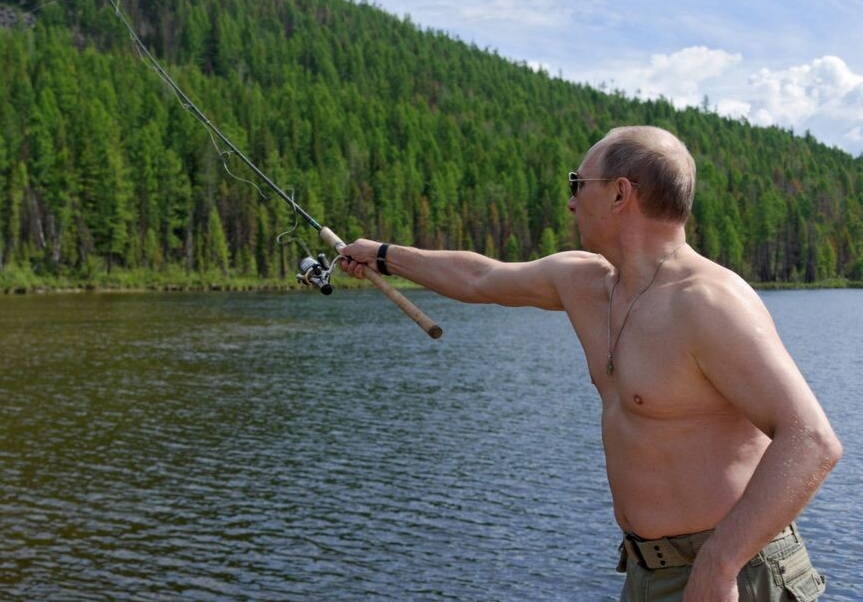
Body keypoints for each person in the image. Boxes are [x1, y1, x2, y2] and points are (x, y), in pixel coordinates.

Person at [339, 126, 841, 601]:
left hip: (735, 573)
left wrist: (720, 561)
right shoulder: (584, 283)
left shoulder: (707, 301)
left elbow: (811, 439)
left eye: (579, 183)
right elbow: (479, 277)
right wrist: (383, 256)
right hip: (648, 571)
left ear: (621, 194)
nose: (570, 199)